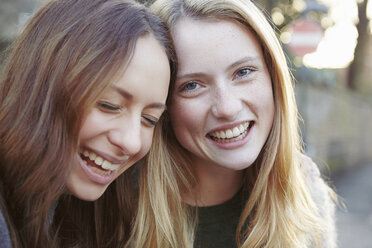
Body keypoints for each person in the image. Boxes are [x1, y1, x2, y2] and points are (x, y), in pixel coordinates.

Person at [129, 0, 337, 247]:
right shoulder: (115, 206)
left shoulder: (307, 195)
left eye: (243, 72)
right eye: (192, 86)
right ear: (163, 103)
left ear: (273, 76)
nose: (227, 108)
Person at [0, 0, 175, 247]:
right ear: (45, 85)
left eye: (149, 119)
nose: (131, 142)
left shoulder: (88, 217)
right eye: (109, 105)